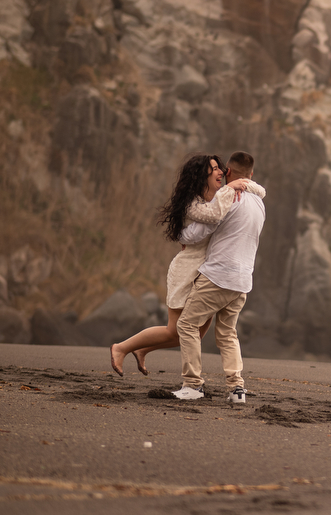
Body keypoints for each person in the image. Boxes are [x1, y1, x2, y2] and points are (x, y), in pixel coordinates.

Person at [109, 154, 265, 376]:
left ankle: (142, 349)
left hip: (209, 271)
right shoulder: (195, 203)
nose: (221, 172)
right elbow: (193, 233)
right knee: (177, 329)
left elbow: (254, 195)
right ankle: (122, 348)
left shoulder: (221, 197)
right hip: (189, 267)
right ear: (203, 174)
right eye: (214, 169)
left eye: (222, 169)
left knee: (194, 333)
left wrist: (248, 186)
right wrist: (231, 192)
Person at [172, 150, 265, 403]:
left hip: (218, 275)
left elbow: (197, 231)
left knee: (187, 325)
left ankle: (193, 385)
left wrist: (180, 236)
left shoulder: (228, 199)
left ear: (229, 173)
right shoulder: (259, 203)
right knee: (227, 333)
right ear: (252, 175)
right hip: (243, 279)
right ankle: (237, 389)